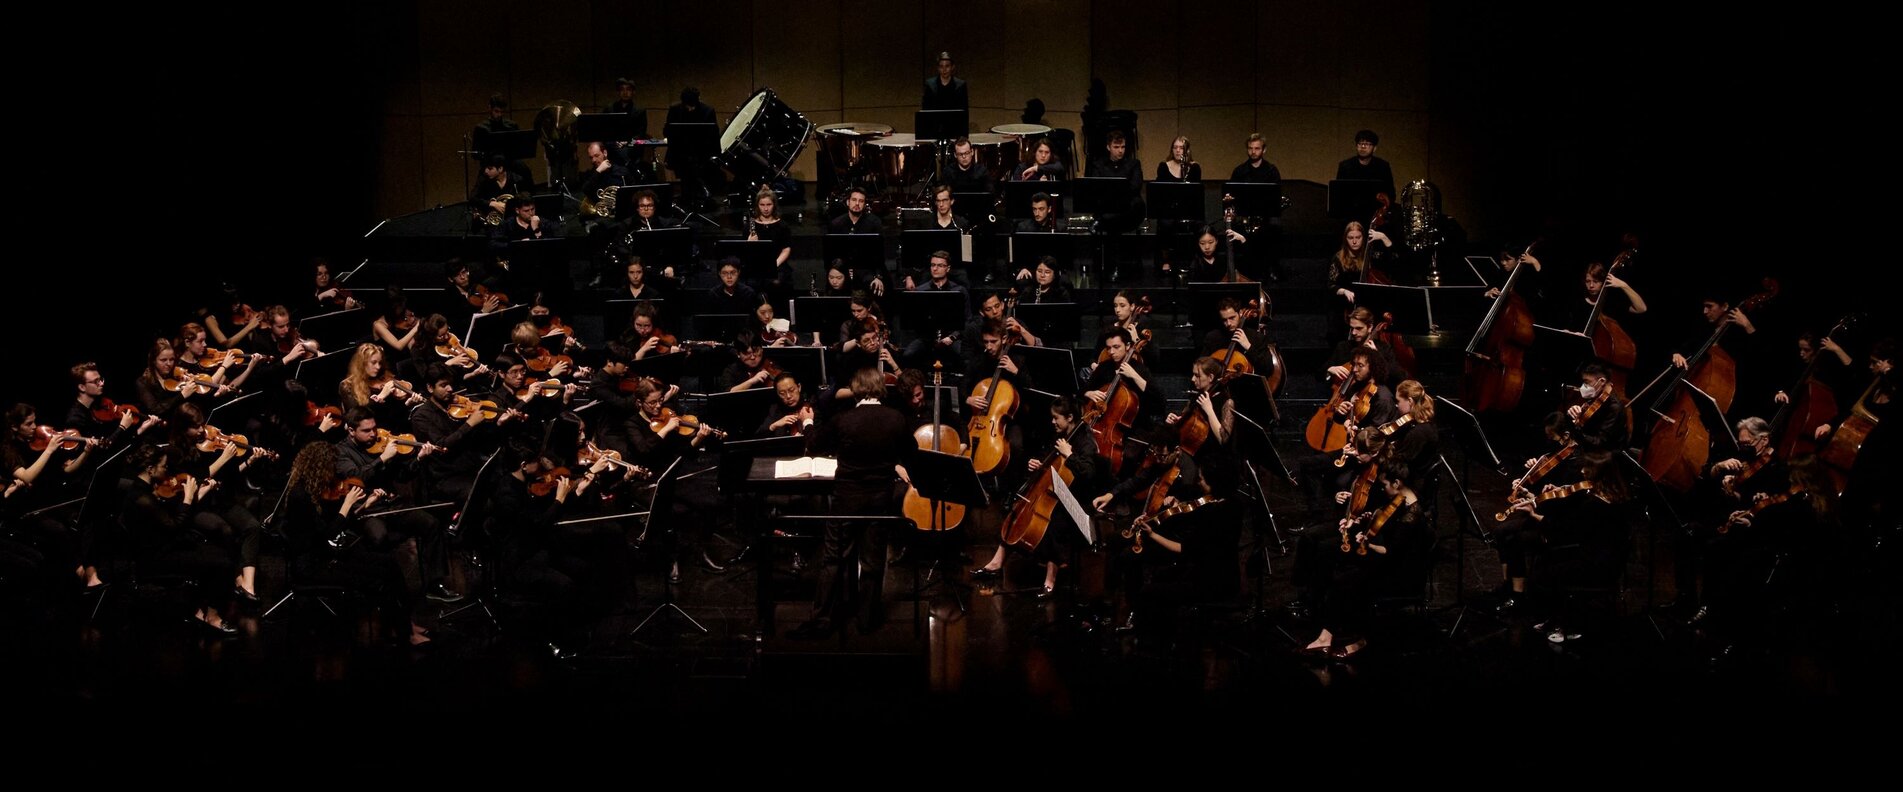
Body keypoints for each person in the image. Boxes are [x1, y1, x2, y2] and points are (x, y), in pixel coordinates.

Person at [1335, 129, 1396, 202]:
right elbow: (1338, 193)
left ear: (1374, 148)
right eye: (1360, 143)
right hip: (1351, 207)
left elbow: (1390, 193)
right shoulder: (1345, 166)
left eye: (1367, 144)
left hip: (1375, 207)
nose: (1363, 147)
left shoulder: (1382, 166)